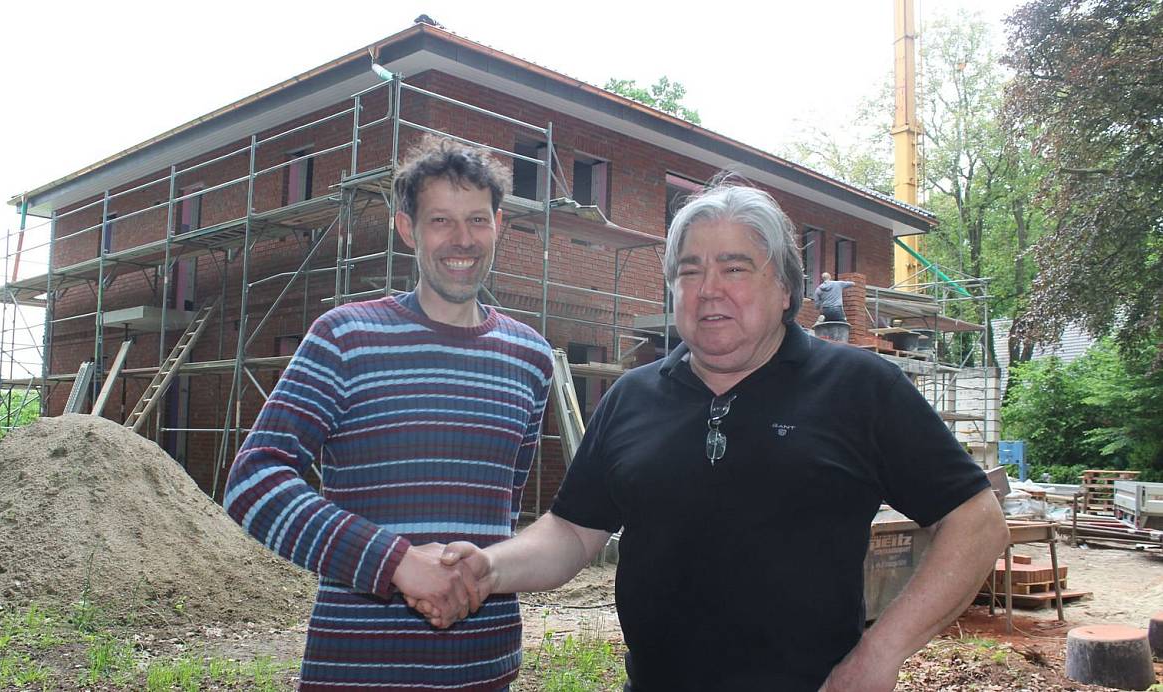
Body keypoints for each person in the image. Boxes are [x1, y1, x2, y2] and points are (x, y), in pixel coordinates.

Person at [423, 184, 1009, 691]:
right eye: (689, 271)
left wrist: (880, 656)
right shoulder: (633, 397)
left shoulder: (858, 387)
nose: (708, 289)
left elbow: (977, 520)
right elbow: (574, 532)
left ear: (785, 289)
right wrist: (490, 568)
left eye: (734, 267)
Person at [224, 136, 553, 690]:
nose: (462, 240)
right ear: (408, 229)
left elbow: (502, 512)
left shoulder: (531, 359)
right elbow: (253, 480)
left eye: (477, 219)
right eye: (441, 221)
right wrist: (396, 562)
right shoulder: (346, 337)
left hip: (485, 668)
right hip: (358, 667)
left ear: (499, 224)